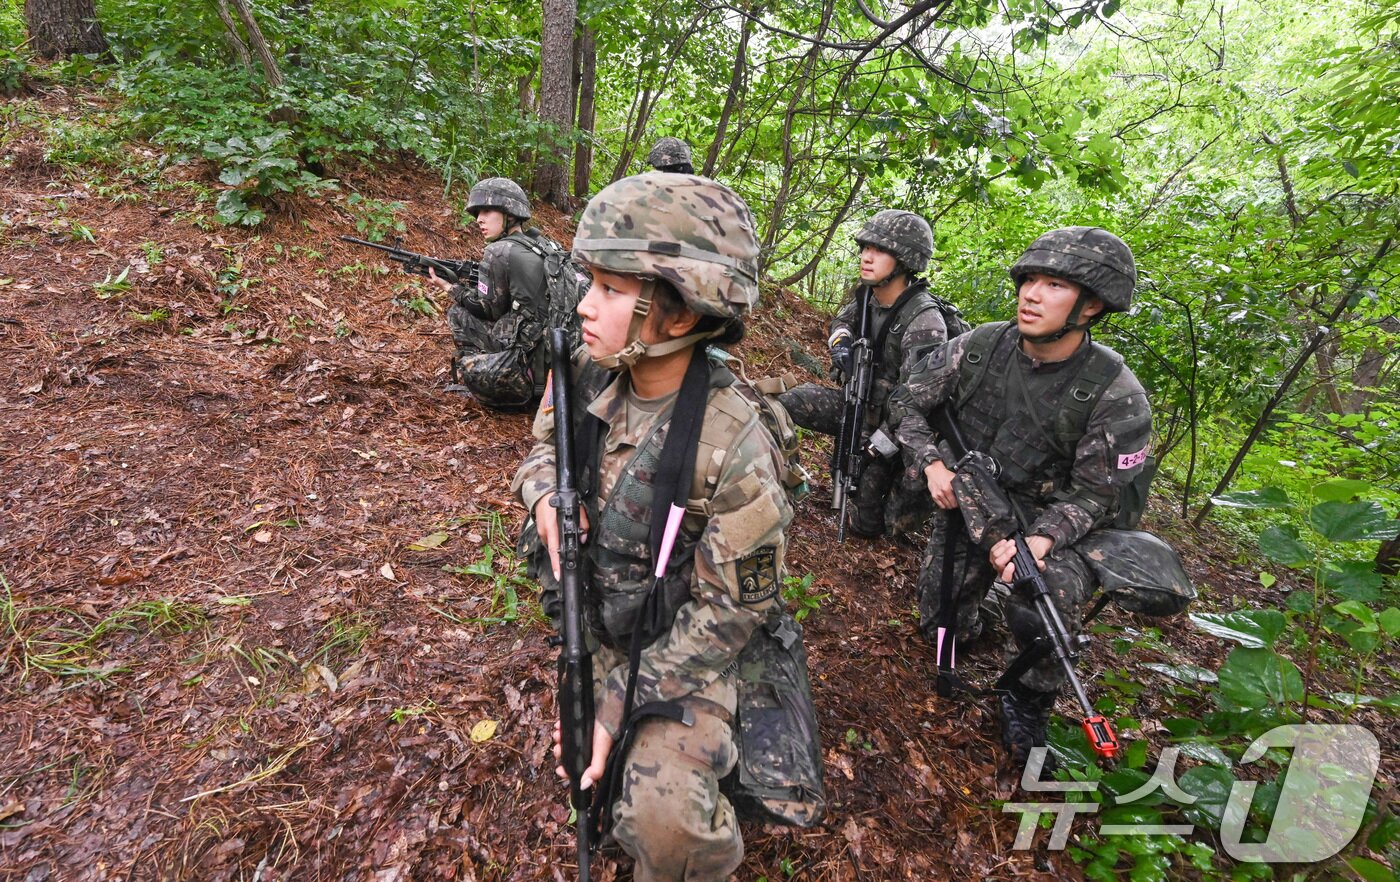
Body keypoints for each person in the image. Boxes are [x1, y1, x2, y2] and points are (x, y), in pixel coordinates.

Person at [512, 173, 798, 881]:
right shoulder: (586, 369)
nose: (585, 305)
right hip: (609, 611)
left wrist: (622, 700)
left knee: (662, 828)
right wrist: (547, 494)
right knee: (583, 775)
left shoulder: (735, 445)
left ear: (677, 312)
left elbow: (732, 610)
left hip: (683, 645)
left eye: (610, 290)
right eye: (592, 284)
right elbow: (543, 450)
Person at [886, 226, 1153, 768]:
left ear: (1092, 304)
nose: (1031, 295)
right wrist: (932, 464)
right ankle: (979, 606)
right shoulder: (981, 346)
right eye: (1029, 280)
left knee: (1043, 594)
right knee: (942, 628)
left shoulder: (1114, 394)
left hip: (1054, 521)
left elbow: (1098, 495)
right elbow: (905, 402)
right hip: (973, 502)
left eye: (1053, 285)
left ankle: (1026, 699)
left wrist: (1041, 539)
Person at [777, 210, 950, 538]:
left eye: (879, 250)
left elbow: (919, 407)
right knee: (785, 403)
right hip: (858, 405)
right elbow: (840, 322)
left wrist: (873, 447)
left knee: (872, 525)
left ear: (904, 260)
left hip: (898, 434)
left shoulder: (924, 323)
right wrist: (842, 345)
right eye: (865, 248)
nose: (866, 257)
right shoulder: (868, 295)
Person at [428, 177, 548, 411]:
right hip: (551, 340)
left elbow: (488, 309)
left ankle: (487, 377)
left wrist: (450, 288)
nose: (479, 220)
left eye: (486, 211)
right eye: (477, 214)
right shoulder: (538, 242)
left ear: (509, 214)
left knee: (458, 313)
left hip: (530, 345)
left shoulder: (498, 250)